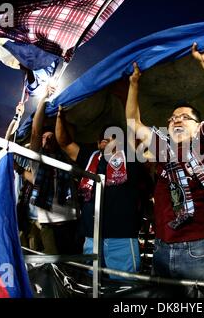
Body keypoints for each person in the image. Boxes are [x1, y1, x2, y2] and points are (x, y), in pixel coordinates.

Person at [126, 42, 204, 296]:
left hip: (194, 251)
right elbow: (133, 123)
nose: (177, 119)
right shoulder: (164, 150)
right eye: (173, 117)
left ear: (198, 127)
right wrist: (133, 84)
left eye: (185, 117)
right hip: (161, 248)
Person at [55, 107, 143, 278]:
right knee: (93, 284)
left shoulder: (131, 158)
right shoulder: (90, 157)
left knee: (124, 287)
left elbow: (138, 128)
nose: (107, 141)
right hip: (91, 237)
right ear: (97, 144)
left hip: (121, 237)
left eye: (113, 138)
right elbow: (64, 143)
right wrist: (60, 116)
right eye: (104, 139)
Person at [29, 85, 79, 255]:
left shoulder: (65, 155)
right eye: (45, 137)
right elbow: (35, 131)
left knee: (72, 266)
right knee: (55, 267)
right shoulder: (37, 158)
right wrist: (43, 99)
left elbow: (69, 135)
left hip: (70, 221)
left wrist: (61, 114)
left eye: (51, 137)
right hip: (48, 224)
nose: (47, 140)